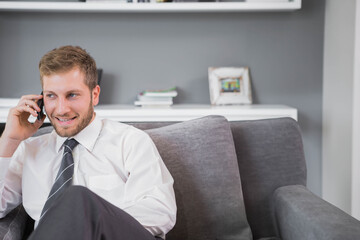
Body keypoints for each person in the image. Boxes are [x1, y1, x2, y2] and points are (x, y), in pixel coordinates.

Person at [0, 46, 177, 240]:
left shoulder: (130, 141)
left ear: (94, 95)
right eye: (51, 96)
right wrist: (10, 139)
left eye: (72, 95)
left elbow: (161, 211)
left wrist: (90, 218)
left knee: (77, 199)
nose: (61, 109)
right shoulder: (29, 151)